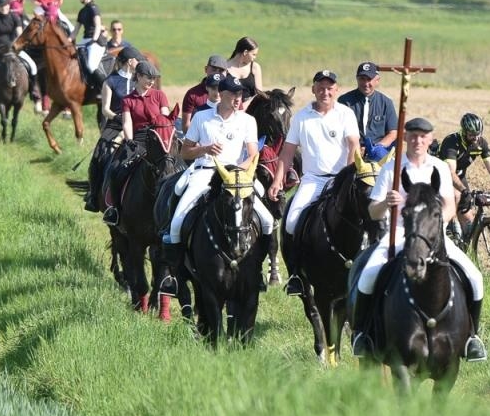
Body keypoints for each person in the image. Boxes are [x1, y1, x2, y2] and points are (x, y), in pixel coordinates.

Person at [350, 118, 487, 363]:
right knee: (368, 275)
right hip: (399, 233)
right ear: (405, 138)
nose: (417, 141)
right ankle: (363, 334)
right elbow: (373, 212)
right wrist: (386, 203)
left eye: (423, 137)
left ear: (431, 140)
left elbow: (448, 207)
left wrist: (434, 230)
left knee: (474, 277)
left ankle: (471, 338)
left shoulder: (440, 168)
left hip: (435, 234)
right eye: (413, 136)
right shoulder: (392, 169)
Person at [270, 68, 361, 297]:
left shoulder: (345, 114)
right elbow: (288, 152)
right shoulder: (301, 117)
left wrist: (348, 176)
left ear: (336, 90)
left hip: (341, 180)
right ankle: (296, 275)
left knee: (362, 219)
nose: (325, 92)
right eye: (320, 87)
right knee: (291, 221)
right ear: (313, 89)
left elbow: (353, 146)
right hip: (313, 180)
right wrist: (277, 180)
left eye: (330, 88)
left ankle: (364, 270)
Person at [164, 75, 273, 246]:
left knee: (267, 220)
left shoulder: (248, 121)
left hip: (237, 175)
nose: (238, 99)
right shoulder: (201, 117)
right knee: (177, 222)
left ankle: (270, 264)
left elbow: (253, 155)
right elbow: (185, 152)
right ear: (221, 94)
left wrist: (237, 172)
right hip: (205, 172)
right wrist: (204, 149)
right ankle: (175, 265)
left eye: (240, 95)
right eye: (234, 94)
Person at [102, 61, 175, 226]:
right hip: (138, 139)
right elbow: (127, 122)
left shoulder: (159, 96)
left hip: (158, 138)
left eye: (153, 78)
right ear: (139, 76)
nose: (151, 81)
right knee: (116, 170)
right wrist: (129, 140)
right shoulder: (128, 100)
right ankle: (115, 210)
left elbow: (165, 118)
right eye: (148, 78)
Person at [435, 112, 490, 236]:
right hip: (440, 175)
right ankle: (449, 228)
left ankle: (466, 248)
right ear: (464, 132)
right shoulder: (451, 142)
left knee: (468, 219)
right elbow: (450, 172)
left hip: (459, 175)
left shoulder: (481, 143)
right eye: (471, 135)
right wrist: (464, 190)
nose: (475, 138)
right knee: (456, 196)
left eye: (478, 134)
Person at [0, 0, 39, 106]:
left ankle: (34, 91)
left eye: (5, 5)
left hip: (13, 48)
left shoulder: (15, 17)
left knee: (32, 66)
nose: (4, 8)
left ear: (9, 5)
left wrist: (14, 45)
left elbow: (19, 35)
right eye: (1, 6)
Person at [338, 61, 398, 164]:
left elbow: (393, 133)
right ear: (357, 78)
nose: (366, 84)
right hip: (351, 152)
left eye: (369, 79)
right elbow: (338, 132)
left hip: (379, 154)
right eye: (362, 79)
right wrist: (356, 149)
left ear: (377, 80)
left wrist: (377, 147)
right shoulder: (344, 102)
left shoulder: (386, 103)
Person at [177, 57, 229, 134]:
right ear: (206, 69)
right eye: (214, 69)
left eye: (221, 71)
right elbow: (186, 126)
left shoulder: (232, 94)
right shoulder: (192, 94)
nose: (217, 73)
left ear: (226, 73)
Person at [99, 46, 139, 122]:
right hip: (116, 123)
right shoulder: (109, 81)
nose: (139, 63)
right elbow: (105, 110)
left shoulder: (139, 79)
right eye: (137, 60)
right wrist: (119, 119)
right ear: (130, 62)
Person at [73, 0, 105, 76]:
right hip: (85, 40)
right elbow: (76, 30)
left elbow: (98, 25)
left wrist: (94, 39)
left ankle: (102, 87)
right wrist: (68, 41)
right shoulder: (82, 11)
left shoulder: (94, 8)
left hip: (96, 42)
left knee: (91, 66)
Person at [225, 36, 264, 105]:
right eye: (254, 54)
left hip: (252, 111)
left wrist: (244, 106)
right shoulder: (225, 68)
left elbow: (259, 94)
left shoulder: (255, 67)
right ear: (245, 52)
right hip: (230, 110)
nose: (255, 58)